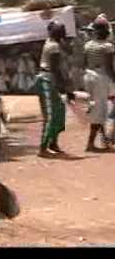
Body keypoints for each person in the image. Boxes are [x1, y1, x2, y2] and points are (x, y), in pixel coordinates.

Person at [34, 21, 74, 158]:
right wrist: (65, 89)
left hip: (50, 80)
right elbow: (56, 69)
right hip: (47, 80)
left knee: (59, 112)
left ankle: (53, 143)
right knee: (50, 115)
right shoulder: (54, 47)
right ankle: (43, 147)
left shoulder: (51, 42)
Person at [83, 17, 115, 151]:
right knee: (100, 110)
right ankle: (91, 144)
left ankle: (105, 140)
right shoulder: (107, 47)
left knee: (97, 108)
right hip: (101, 77)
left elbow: (85, 63)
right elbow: (108, 67)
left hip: (89, 75)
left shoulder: (88, 45)